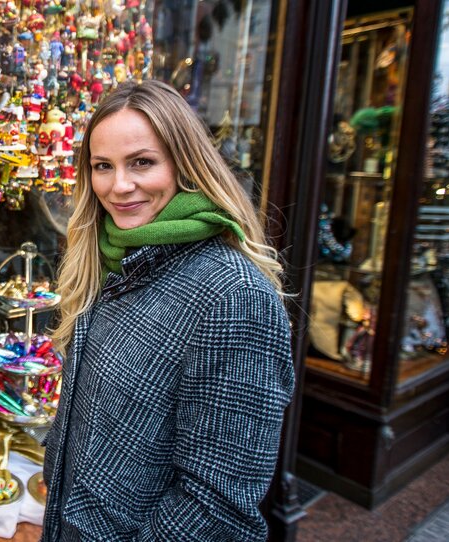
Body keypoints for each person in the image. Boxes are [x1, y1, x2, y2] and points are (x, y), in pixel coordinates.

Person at [42, 80, 295, 540]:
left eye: (142, 162)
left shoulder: (232, 294)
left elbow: (216, 506)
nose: (119, 186)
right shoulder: (114, 258)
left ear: (184, 163)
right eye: (103, 166)